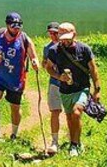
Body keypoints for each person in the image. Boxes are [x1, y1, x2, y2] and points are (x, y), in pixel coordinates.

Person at [44, 22, 101, 157]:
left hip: (82, 88)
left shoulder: (84, 49)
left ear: (74, 35)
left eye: (67, 37)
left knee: (76, 113)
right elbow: (48, 68)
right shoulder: (54, 50)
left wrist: (97, 90)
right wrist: (59, 77)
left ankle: (74, 145)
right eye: (62, 37)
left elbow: (93, 70)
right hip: (65, 90)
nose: (64, 40)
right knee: (70, 118)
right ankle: (75, 141)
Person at [0, 12, 39, 141]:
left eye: (19, 25)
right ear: (7, 25)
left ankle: (14, 133)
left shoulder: (25, 39)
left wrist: (35, 62)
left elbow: (34, 56)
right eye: (14, 25)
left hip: (16, 79)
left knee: (15, 107)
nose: (17, 28)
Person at [42, 22, 62, 153]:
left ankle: (74, 139)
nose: (53, 35)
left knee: (73, 112)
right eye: (51, 33)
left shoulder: (67, 44)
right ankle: (54, 141)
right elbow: (45, 63)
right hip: (55, 82)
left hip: (69, 84)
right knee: (55, 111)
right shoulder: (47, 48)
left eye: (55, 33)